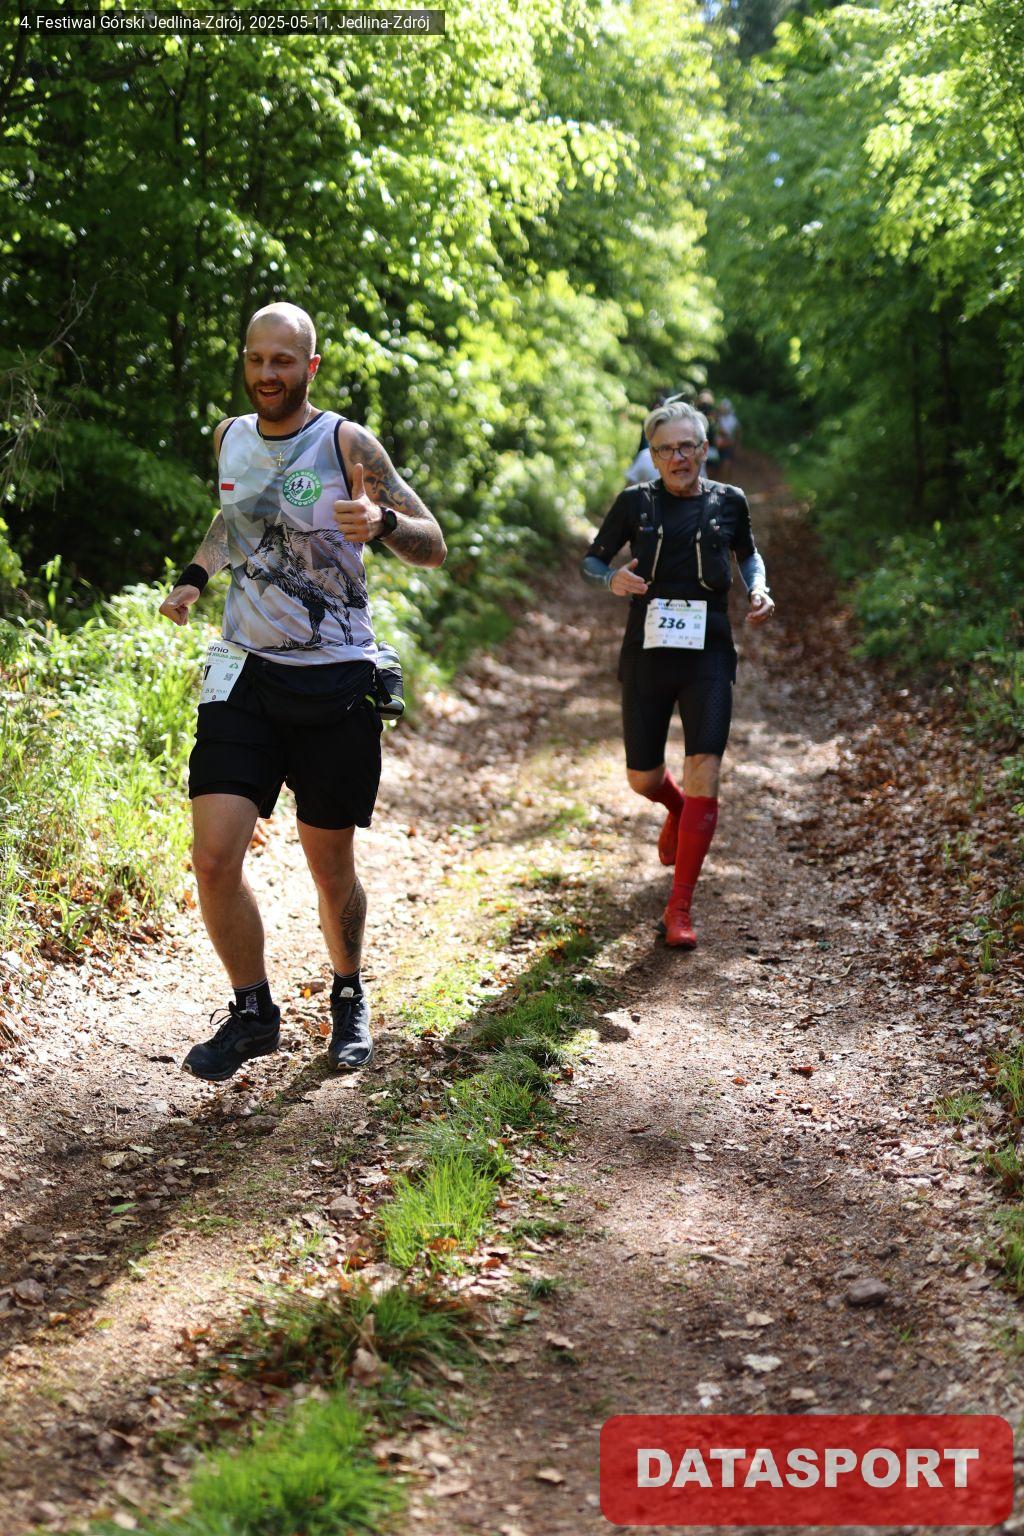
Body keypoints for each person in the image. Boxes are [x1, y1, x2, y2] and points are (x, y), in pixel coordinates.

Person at [159, 302, 446, 1081]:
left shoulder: (346, 442)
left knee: (329, 868)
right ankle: (253, 1012)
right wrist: (194, 579)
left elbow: (434, 545)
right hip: (244, 674)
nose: (267, 374)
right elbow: (236, 520)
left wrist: (382, 523)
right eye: (256, 359)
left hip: (335, 681)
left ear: (309, 366)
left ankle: (348, 993)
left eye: (283, 361)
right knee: (214, 857)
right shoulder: (229, 435)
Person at [581, 400, 774, 949]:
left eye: (687, 446)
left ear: (704, 449)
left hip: (708, 650)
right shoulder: (635, 502)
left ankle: (680, 907)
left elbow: (749, 555)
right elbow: (592, 561)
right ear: (653, 455)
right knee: (642, 779)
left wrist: (758, 587)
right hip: (647, 650)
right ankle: (678, 808)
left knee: (705, 769)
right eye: (665, 449)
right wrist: (611, 580)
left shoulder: (729, 501)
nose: (677, 457)